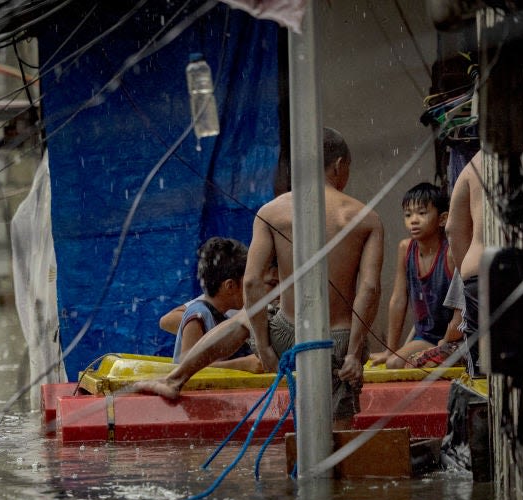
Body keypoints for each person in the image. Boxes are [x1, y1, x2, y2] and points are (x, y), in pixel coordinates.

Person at [133, 127, 384, 430]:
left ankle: (175, 379)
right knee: (337, 431)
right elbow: (369, 289)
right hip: (338, 340)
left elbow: (251, 282)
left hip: (287, 331)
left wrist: (264, 345)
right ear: (339, 164)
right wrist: (355, 354)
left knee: (242, 320)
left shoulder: (273, 211)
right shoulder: (365, 218)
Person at [369, 182, 456, 369]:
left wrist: (448, 341)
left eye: (422, 213)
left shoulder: (450, 252)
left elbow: (464, 305)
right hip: (424, 337)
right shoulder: (406, 248)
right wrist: (390, 349)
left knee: (409, 365)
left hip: (452, 340)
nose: (413, 220)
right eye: (408, 215)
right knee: (393, 362)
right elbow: (399, 299)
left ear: (442, 219)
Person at [169, 237, 260, 371]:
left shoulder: (222, 318)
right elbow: (186, 366)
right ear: (230, 286)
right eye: (247, 283)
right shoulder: (198, 314)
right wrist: (243, 364)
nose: (251, 289)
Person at [444, 150, 485, 376]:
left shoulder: (474, 165)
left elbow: (453, 229)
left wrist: (467, 274)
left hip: (478, 272)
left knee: (482, 374)